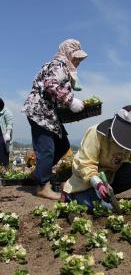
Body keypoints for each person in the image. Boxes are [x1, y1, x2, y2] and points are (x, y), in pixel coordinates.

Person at [22, 39, 88, 200]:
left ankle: (38, 174)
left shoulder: (63, 66)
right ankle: (43, 187)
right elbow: (51, 84)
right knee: (47, 149)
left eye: (80, 59)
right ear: (68, 54)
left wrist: (69, 101)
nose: (78, 61)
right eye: (76, 58)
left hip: (49, 114)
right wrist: (71, 101)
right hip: (40, 112)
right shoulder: (58, 65)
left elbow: (55, 89)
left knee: (62, 144)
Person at [61, 105, 131, 211]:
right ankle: (71, 194)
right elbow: (85, 164)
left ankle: (106, 194)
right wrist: (98, 184)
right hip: (85, 180)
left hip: (109, 178)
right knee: (104, 209)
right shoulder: (96, 133)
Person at [0, 98, 14, 167]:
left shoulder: (7, 112)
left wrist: (8, 133)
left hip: (3, 137)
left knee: (3, 155)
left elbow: (9, 123)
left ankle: (4, 172)